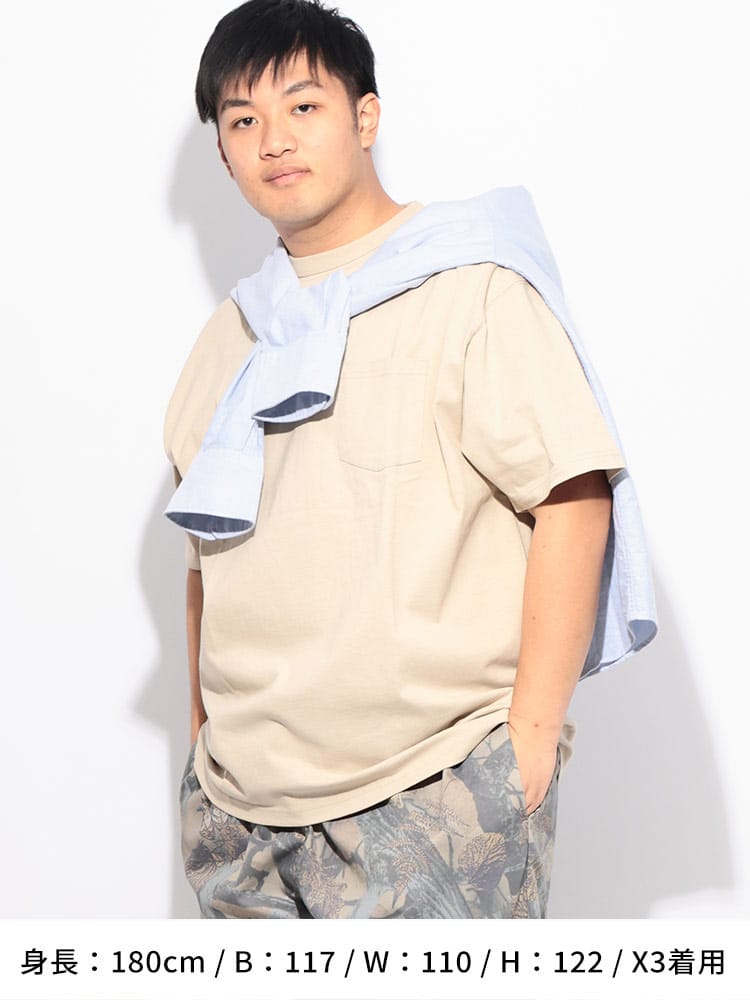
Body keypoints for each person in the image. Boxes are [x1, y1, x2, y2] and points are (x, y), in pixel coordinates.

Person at [164, 0, 656, 919]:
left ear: (366, 117)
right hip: (243, 818)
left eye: (303, 106)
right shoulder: (228, 340)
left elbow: (573, 496)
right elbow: (205, 566)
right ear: (223, 152)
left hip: (434, 791)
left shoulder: (471, 286)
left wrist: (525, 752)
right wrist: (201, 752)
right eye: (242, 120)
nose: (274, 139)